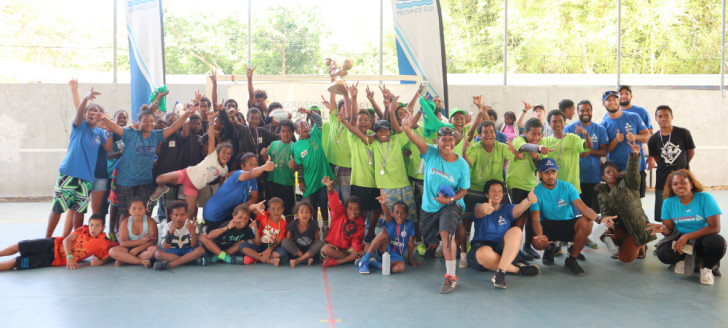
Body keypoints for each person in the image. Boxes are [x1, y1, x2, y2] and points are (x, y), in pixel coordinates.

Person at [100, 102, 196, 232]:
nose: (149, 123)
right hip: (126, 180)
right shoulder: (130, 133)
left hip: (144, 181)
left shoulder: (156, 135)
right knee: (126, 211)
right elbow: (116, 128)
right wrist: (104, 118)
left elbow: (174, 127)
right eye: (145, 121)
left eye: (152, 121)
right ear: (139, 122)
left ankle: (138, 236)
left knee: (140, 211)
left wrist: (186, 116)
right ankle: (122, 239)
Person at [402, 123, 470, 294]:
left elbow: (463, 190)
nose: (448, 143)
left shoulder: (462, 165)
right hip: (429, 207)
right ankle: (437, 245)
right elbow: (415, 139)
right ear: (437, 141)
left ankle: (450, 276)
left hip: (451, 204)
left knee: (447, 234)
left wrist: (450, 199)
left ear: (455, 141)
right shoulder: (430, 153)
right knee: (430, 236)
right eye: (444, 140)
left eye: (451, 139)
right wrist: (407, 128)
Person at [529, 158, 615, 275]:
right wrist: (540, 236)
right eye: (546, 172)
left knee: (587, 222)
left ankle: (572, 259)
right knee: (537, 242)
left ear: (557, 172)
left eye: (553, 172)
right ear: (540, 174)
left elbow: (583, 208)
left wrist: (599, 219)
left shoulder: (568, 187)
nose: (550, 176)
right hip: (548, 226)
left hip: (566, 224)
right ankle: (549, 249)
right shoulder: (535, 192)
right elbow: (535, 220)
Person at [46, 87, 112, 238]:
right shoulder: (79, 126)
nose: (93, 113)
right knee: (58, 208)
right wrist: (86, 98)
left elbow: (108, 147)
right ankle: (47, 240)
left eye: (97, 112)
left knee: (79, 211)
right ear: (85, 114)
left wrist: (107, 126)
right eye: (90, 110)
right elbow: (79, 111)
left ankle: (75, 240)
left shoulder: (101, 133)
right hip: (68, 174)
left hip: (86, 179)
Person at [647, 170, 725, 285]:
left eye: (683, 182)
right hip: (680, 239)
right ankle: (682, 259)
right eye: (675, 184)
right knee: (663, 253)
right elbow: (669, 231)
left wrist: (687, 236)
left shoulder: (705, 198)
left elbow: (715, 227)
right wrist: (664, 230)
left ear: (691, 184)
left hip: (702, 237)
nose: (679, 186)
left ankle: (706, 268)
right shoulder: (668, 203)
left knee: (717, 243)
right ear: (671, 187)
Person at [150, 111, 232, 221]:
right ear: (218, 151)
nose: (225, 155)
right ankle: (163, 187)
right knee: (160, 179)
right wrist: (211, 120)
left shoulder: (224, 169)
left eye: (228, 154)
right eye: (223, 152)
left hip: (193, 185)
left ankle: (190, 231)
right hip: (186, 173)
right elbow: (211, 137)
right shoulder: (212, 155)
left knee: (191, 211)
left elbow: (225, 177)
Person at [468, 180, 540, 288]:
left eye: (500, 191)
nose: (497, 194)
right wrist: (484, 208)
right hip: (482, 247)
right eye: (493, 191)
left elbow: (519, 209)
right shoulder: (479, 206)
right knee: (483, 253)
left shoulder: (506, 208)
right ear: (487, 194)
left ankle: (500, 272)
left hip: (504, 248)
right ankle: (516, 269)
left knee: (516, 230)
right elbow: (479, 210)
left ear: (503, 194)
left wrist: (529, 200)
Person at [596, 141, 656, 263]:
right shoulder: (602, 193)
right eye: (608, 172)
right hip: (622, 227)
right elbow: (605, 213)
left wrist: (634, 155)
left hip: (637, 227)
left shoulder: (628, 183)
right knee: (601, 231)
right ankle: (626, 243)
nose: (612, 173)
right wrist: (608, 225)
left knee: (625, 258)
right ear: (603, 177)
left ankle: (640, 245)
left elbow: (633, 172)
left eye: (614, 171)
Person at [0, 214, 112, 271]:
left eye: (97, 226)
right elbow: (67, 240)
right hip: (53, 243)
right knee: (20, 245)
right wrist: (69, 256)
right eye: (92, 225)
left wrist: (101, 262)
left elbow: (110, 254)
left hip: (53, 259)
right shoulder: (84, 229)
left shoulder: (103, 242)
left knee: (15, 262)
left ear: (103, 227)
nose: (93, 228)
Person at [506, 118, 550, 260]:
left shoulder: (542, 144)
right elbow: (523, 147)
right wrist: (536, 149)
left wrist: (536, 154)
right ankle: (514, 249)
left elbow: (541, 166)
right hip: (515, 184)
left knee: (532, 217)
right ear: (526, 132)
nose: (537, 138)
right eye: (533, 134)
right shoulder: (519, 139)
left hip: (531, 186)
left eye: (539, 134)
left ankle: (527, 246)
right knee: (519, 217)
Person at [201, 153, 273, 230]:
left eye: (256, 164)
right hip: (213, 214)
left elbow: (254, 198)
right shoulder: (237, 174)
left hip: (229, 213)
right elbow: (250, 173)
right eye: (251, 165)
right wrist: (264, 167)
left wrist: (240, 209)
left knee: (254, 212)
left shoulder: (253, 179)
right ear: (242, 166)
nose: (255, 167)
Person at [647, 105, 695, 221]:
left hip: (682, 178)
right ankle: (668, 236)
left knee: (684, 211)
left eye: (666, 115)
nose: (663, 118)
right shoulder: (653, 139)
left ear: (672, 117)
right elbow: (658, 158)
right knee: (664, 213)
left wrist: (681, 165)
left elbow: (690, 152)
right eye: (660, 116)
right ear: (656, 118)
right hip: (663, 178)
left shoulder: (683, 133)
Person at [600, 90, 650, 198]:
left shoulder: (634, 116)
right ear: (604, 104)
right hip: (616, 172)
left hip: (637, 168)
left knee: (636, 205)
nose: (612, 102)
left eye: (614, 99)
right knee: (618, 204)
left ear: (618, 101)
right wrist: (616, 141)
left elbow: (647, 137)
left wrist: (635, 137)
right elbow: (605, 150)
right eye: (608, 100)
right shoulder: (603, 125)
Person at [291, 110, 334, 232]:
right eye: (300, 126)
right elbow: (300, 166)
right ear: (297, 131)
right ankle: (313, 227)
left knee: (323, 203)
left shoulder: (315, 134)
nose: (304, 126)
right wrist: (301, 181)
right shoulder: (297, 145)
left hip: (323, 178)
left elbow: (319, 120)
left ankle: (326, 225)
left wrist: (309, 112)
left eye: (305, 124)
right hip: (309, 181)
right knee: (311, 206)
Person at [357, 192, 419, 274]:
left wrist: (410, 260)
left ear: (406, 214)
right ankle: (365, 261)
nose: (399, 215)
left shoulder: (410, 224)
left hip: (397, 256)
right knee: (383, 233)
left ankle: (374, 264)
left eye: (402, 212)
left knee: (399, 268)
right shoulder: (390, 221)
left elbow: (411, 243)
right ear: (392, 213)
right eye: (396, 212)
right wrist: (383, 204)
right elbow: (386, 212)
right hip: (384, 250)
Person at [564, 100, 608, 211]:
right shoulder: (569, 129)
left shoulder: (600, 129)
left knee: (591, 212)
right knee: (573, 212)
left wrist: (589, 152)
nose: (585, 112)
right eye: (582, 110)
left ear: (591, 111)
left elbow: (604, 151)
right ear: (577, 112)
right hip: (573, 178)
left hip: (592, 178)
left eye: (587, 110)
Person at [541, 110, 592, 195]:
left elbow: (588, 146)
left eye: (560, 121)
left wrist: (586, 134)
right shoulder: (545, 141)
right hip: (552, 188)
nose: (558, 124)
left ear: (564, 123)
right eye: (554, 121)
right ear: (549, 124)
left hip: (572, 188)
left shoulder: (573, 138)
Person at [320, 177, 366, 267]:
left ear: (360, 211)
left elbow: (357, 237)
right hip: (335, 247)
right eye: (350, 209)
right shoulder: (339, 214)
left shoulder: (360, 221)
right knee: (325, 249)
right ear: (345, 208)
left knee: (368, 248)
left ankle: (338, 261)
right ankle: (351, 258)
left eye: (356, 209)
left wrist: (356, 249)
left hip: (349, 248)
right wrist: (330, 188)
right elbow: (334, 203)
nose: (353, 212)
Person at [261, 120, 297, 222]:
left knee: (289, 210)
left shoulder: (295, 146)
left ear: (293, 132)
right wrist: (263, 155)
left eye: (289, 131)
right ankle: (270, 232)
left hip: (286, 182)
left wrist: (294, 166)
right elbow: (267, 161)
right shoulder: (273, 144)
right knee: (270, 208)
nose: (286, 134)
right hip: (271, 181)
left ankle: (290, 233)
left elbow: (298, 167)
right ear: (279, 132)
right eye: (283, 131)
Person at [152, 201, 205, 270]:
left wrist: (192, 233)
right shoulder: (167, 227)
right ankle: (190, 261)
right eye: (176, 215)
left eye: (182, 215)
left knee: (201, 250)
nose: (179, 218)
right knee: (157, 253)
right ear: (171, 216)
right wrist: (170, 233)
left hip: (187, 250)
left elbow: (194, 246)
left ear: (187, 215)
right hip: (173, 251)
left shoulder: (192, 225)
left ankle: (170, 264)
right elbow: (165, 247)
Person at [109, 199, 159, 267]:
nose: (137, 211)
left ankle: (125, 259)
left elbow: (154, 241)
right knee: (112, 251)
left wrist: (138, 248)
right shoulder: (125, 223)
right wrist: (141, 241)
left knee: (154, 250)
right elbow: (123, 243)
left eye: (140, 208)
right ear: (129, 210)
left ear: (145, 210)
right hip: (128, 249)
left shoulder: (150, 221)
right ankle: (141, 261)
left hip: (144, 249)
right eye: (134, 208)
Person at [238, 198, 288, 266]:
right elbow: (250, 208)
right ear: (268, 210)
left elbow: (278, 242)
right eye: (273, 209)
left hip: (272, 247)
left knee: (279, 253)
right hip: (259, 245)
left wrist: (269, 250)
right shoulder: (263, 215)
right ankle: (267, 260)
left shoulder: (284, 223)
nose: (275, 211)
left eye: (278, 209)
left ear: (283, 210)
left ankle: (256, 257)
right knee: (242, 246)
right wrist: (255, 206)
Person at [281, 200, 326, 268]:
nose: (304, 214)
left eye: (307, 212)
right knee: (284, 242)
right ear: (297, 215)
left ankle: (298, 260)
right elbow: (288, 241)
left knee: (321, 243)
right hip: (296, 251)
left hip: (310, 251)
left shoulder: (313, 224)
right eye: (301, 212)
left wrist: (314, 251)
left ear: (311, 215)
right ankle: (305, 258)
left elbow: (317, 241)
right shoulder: (292, 224)